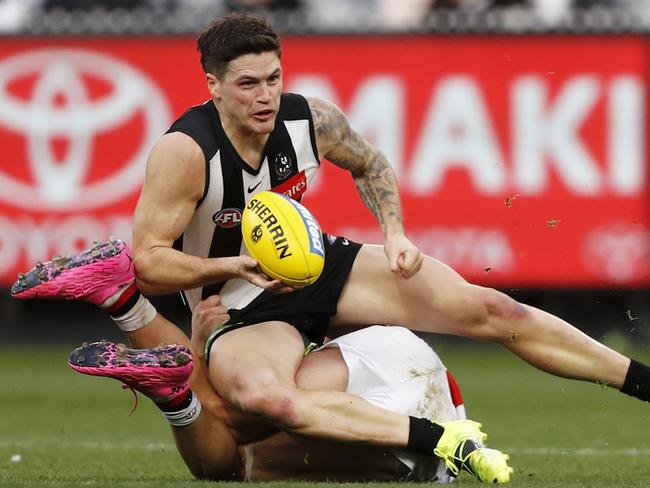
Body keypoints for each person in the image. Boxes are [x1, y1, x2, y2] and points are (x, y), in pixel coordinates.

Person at [13, 9, 648, 480]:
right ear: (211, 85)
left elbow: (370, 165)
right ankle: (435, 441)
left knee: (494, 310)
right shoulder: (184, 152)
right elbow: (149, 259)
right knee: (261, 409)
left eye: (273, 78)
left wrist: (396, 235)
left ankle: (642, 383)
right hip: (242, 303)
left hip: (323, 266)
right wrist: (236, 264)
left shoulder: (307, 117)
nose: (265, 96)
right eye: (246, 85)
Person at [13, 240, 503, 483]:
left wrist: (203, 349)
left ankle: (128, 308)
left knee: (232, 443)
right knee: (240, 444)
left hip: (405, 378)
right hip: (421, 420)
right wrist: (445, 439)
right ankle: (162, 369)